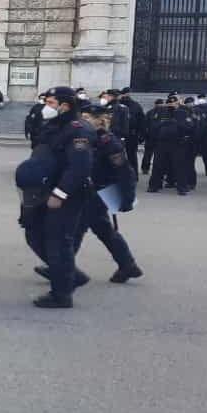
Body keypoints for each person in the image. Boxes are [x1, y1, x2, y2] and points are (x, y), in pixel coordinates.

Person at [21, 86, 94, 309]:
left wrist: (60, 194)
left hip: (64, 195)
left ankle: (61, 294)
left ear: (65, 105)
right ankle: (70, 274)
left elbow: (79, 167)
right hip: (42, 191)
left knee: (58, 242)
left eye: (51, 103)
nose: (47, 107)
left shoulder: (79, 129)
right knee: (34, 234)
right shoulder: (53, 126)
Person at [71, 104, 143, 283]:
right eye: (82, 117)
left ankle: (61, 267)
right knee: (104, 230)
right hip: (86, 190)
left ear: (100, 120)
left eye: (87, 118)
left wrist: (127, 197)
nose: (82, 120)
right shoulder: (84, 137)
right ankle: (128, 265)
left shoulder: (108, 142)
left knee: (75, 229)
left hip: (97, 193)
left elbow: (124, 171)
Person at [147, 96, 192, 195]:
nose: (172, 105)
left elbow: (189, 126)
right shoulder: (160, 112)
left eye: (174, 103)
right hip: (162, 143)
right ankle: (154, 186)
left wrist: (177, 124)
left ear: (177, 104)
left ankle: (182, 187)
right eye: (169, 103)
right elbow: (153, 127)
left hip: (178, 143)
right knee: (158, 165)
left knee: (180, 166)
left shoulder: (183, 113)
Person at [118, 87, 146, 173]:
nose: (127, 95)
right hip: (118, 134)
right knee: (118, 156)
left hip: (132, 134)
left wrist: (142, 135)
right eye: (125, 93)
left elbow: (142, 121)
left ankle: (133, 174)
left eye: (128, 93)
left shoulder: (135, 105)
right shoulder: (117, 105)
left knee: (132, 156)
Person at [192, 94, 207, 179]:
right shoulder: (194, 108)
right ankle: (191, 171)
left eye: (203, 98)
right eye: (200, 99)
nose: (202, 100)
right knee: (192, 154)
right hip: (196, 135)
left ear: (206, 99)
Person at [140, 98, 164, 175]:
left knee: (148, 154)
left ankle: (145, 168)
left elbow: (144, 125)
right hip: (159, 137)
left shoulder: (149, 112)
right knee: (158, 155)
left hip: (150, 136)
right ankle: (159, 169)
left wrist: (144, 136)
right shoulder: (165, 113)